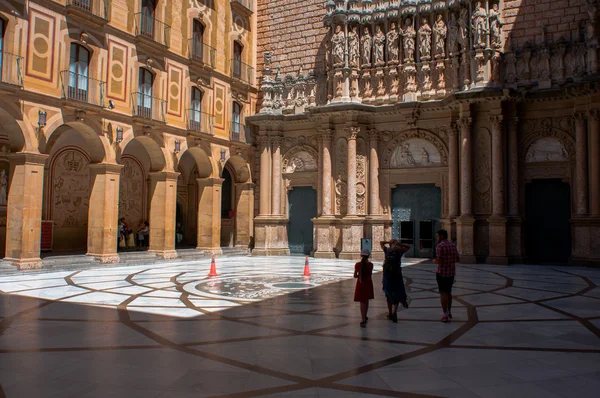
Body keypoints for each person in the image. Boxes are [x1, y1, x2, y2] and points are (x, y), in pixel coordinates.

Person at [380, 239, 410, 323]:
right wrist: (399, 243)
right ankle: (394, 312)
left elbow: (381, 243)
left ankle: (390, 313)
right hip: (397, 276)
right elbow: (408, 246)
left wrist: (388, 242)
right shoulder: (399, 253)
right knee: (396, 293)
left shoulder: (387, 251)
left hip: (387, 276)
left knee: (388, 294)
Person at [433, 229, 459, 323]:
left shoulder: (440, 246)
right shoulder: (452, 245)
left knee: (443, 293)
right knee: (449, 292)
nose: (436, 238)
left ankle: (444, 314)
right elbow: (457, 259)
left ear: (442, 236)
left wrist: (434, 261)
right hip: (451, 273)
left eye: (437, 236)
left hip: (442, 273)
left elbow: (439, 260)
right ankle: (449, 311)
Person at [354, 248, 374, 327]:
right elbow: (370, 274)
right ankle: (365, 316)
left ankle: (363, 319)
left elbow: (355, 275)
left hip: (360, 283)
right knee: (366, 301)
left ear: (361, 255)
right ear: (368, 255)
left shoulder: (357, 264)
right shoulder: (370, 265)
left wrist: (360, 275)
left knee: (361, 301)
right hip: (368, 283)